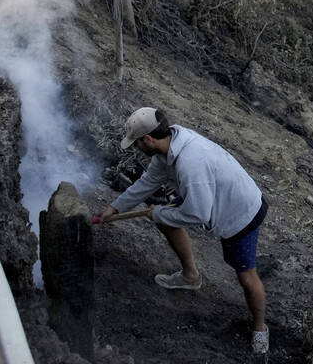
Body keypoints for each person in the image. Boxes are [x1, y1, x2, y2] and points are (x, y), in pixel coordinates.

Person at [100, 107, 270, 354]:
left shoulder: (191, 163)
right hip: (211, 196)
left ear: (147, 139)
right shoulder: (168, 147)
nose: (135, 149)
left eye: (136, 144)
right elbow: (147, 183)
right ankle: (190, 277)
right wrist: (114, 208)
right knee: (165, 218)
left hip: (241, 212)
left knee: (246, 277)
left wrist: (158, 212)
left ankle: (260, 329)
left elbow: (199, 214)